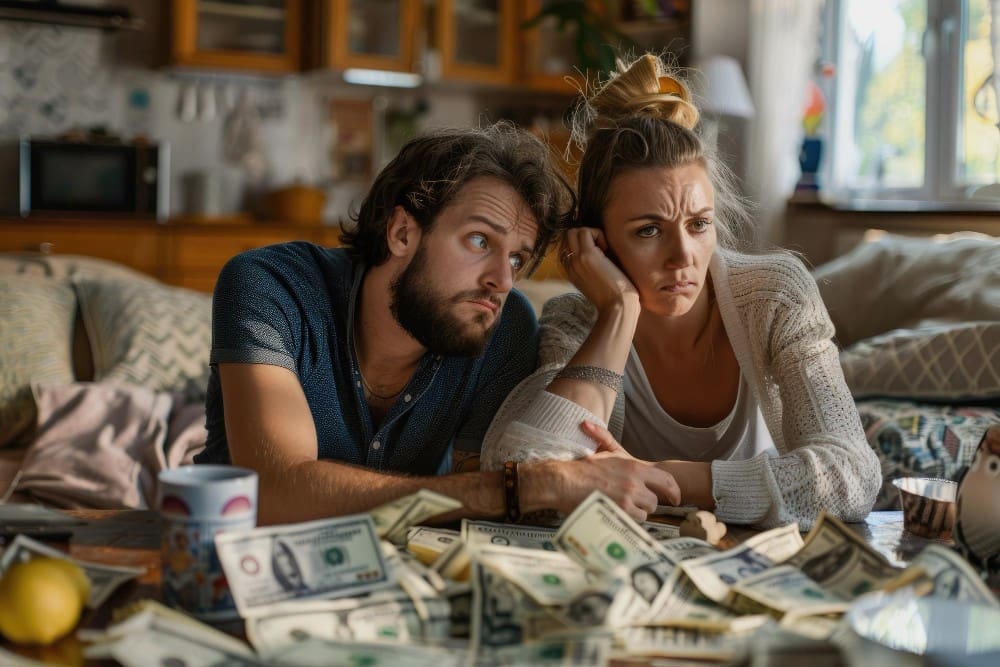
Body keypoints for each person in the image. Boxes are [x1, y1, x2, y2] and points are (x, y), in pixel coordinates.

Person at [195, 123, 681, 525]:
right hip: (227, 564)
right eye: (478, 241)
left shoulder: (505, 327)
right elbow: (276, 492)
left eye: (517, 258)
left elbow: (483, 497)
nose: (501, 279)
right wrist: (533, 486)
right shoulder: (271, 286)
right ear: (403, 232)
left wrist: (621, 306)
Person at [482, 55, 881, 529]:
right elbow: (517, 472)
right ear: (597, 240)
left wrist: (675, 479)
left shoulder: (775, 296)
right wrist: (617, 311)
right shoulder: (577, 322)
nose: (683, 255)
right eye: (648, 230)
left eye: (698, 225)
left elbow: (853, 477)